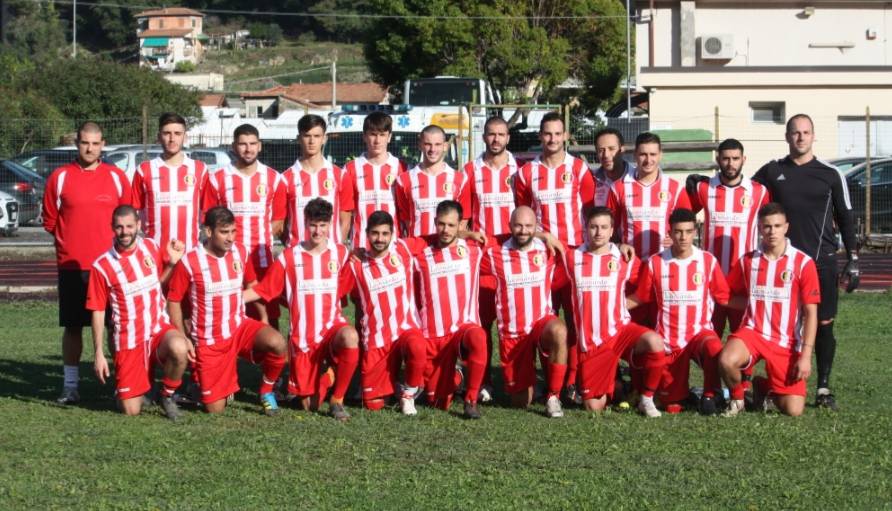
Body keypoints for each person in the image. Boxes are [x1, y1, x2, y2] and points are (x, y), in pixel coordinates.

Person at [752, 114, 859, 410]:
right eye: (795, 133)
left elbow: (846, 217)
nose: (800, 137)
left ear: (813, 136)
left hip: (821, 262)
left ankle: (823, 387)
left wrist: (853, 258)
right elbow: (744, 195)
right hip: (781, 265)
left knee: (823, 322)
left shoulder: (830, 173)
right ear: (787, 137)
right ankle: (779, 382)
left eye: (806, 132)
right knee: (782, 325)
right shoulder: (773, 171)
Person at [244, 198, 359, 421]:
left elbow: (349, 283)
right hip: (303, 338)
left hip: (332, 328)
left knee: (350, 336)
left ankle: (338, 400)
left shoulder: (341, 254)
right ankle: (328, 375)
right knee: (310, 406)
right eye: (313, 225)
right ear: (305, 224)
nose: (318, 231)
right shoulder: (289, 256)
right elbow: (264, 289)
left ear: (330, 224)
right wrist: (230, 298)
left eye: (323, 225)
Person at [42, 121, 132, 405]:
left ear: (103, 144)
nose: (90, 148)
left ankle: (122, 383)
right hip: (73, 267)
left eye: (95, 143)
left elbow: (127, 221)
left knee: (115, 326)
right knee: (73, 326)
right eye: (84, 143)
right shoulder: (60, 177)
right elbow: (50, 222)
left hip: (111, 268)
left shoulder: (117, 177)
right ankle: (70, 386)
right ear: (76, 143)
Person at [166, 207, 287, 415]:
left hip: (239, 326)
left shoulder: (240, 251)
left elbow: (252, 285)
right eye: (224, 232)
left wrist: (264, 317)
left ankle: (267, 391)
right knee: (216, 409)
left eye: (233, 231)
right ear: (209, 231)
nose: (230, 238)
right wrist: (182, 336)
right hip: (210, 340)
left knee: (277, 343)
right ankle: (197, 389)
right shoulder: (190, 261)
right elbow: (174, 300)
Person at [514, 111, 595, 401]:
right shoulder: (526, 173)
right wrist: (542, 235)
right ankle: (544, 377)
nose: (552, 139)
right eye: (547, 133)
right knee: (540, 319)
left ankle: (571, 380)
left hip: (574, 257)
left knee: (575, 321)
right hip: (540, 258)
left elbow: (589, 213)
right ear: (540, 136)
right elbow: (523, 218)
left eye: (557, 134)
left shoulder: (579, 169)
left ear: (565, 136)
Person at [86, 205, 192, 420]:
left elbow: (157, 283)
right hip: (129, 338)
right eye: (119, 227)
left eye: (129, 226)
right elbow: (97, 311)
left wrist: (171, 264)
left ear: (139, 226)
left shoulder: (151, 247)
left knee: (180, 347)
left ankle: (167, 395)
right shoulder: (102, 266)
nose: (124, 232)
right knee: (131, 410)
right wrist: (98, 353)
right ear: (112, 228)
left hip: (157, 329)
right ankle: (136, 384)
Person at [561, 206, 666, 417]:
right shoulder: (571, 258)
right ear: (585, 229)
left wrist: (618, 304)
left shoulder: (624, 258)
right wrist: (542, 234)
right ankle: (617, 387)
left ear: (611, 231)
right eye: (593, 227)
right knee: (593, 408)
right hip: (592, 343)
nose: (598, 232)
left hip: (620, 331)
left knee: (654, 342)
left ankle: (646, 398)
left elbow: (645, 291)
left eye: (603, 227)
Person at [719, 202, 820, 417]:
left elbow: (811, 312)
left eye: (777, 226)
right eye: (767, 226)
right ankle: (737, 400)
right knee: (727, 360)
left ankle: (762, 387)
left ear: (786, 227)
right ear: (759, 228)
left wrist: (806, 355)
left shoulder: (803, 263)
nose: (772, 231)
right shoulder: (748, 261)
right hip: (753, 333)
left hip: (786, 341)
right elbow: (728, 295)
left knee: (794, 410)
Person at [629, 208, 729, 415]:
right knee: (672, 406)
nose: (683, 237)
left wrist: (755, 302)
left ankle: (711, 393)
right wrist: (610, 306)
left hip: (698, 335)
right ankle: (684, 393)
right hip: (668, 341)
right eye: (678, 231)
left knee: (713, 346)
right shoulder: (656, 262)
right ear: (670, 232)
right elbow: (640, 297)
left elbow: (724, 297)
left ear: (695, 232)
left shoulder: (708, 261)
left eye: (688, 231)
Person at [480, 206, 569, 418]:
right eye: (518, 225)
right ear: (510, 226)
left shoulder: (549, 250)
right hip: (513, 333)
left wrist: (620, 246)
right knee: (521, 402)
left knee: (560, 331)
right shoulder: (495, 254)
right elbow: (462, 247)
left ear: (536, 227)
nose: (523, 230)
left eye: (529, 226)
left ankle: (553, 396)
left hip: (541, 323)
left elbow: (590, 249)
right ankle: (530, 386)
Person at [403, 200, 488, 419]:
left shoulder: (473, 250)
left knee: (479, 336)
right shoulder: (421, 252)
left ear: (460, 225)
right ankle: (455, 377)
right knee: (438, 402)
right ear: (434, 223)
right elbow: (392, 244)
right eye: (441, 224)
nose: (445, 230)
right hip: (433, 337)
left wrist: (544, 236)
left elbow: (515, 236)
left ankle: (471, 399)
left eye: (451, 225)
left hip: (462, 332)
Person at [203, 124, 286, 325]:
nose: (248, 149)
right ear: (234, 146)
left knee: (268, 313)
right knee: (229, 311)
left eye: (252, 144)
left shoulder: (274, 178)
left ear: (260, 146)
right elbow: (209, 219)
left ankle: (269, 356)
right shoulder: (217, 178)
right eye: (242, 144)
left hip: (262, 258)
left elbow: (278, 222)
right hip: (228, 258)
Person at [686, 138, 770, 336]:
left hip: (743, 278)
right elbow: (681, 216)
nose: (731, 163)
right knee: (709, 338)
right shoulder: (703, 188)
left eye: (735, 158)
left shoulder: (759, 191)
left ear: (744, 159)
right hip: (710, 277)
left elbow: (772, 225)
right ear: (718, 159)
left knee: (741, 338)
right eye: (725, 158)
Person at [348, 210, 427, 415]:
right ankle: (395, 386)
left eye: (385, 233)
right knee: (373, 404)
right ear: (366, 233)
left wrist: (467, 234)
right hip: (377, 338)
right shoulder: (356, 264)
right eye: (375, 233)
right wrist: (349, 252)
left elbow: (437, 238)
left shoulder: (403, 249)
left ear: (392, 234)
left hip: (405, 328)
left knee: (417, 346)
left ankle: (408, 394)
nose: (380, 239)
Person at [464, 116, 519, 402]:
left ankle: (516, 377)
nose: (496, 139)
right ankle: (482, 379)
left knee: (515, 321)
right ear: (484, 137)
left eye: (501, 134)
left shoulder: (520, 170)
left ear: (508, 138)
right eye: (491, 134)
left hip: (514, 257)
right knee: (483, 322)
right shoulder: (471, 170)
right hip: (484, 260)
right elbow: (463, 218)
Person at [131, 112, 207, 251]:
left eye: (177, 133)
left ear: (185, 137)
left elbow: (207, 210)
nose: (172, 139)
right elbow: (134, 211)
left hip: (189, 253)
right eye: (167, 133)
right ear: (159, 137)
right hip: (154, 254)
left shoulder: (200, 169)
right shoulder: (144, 170)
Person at [281, 114, 350, 245]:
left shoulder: (340, 175)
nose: (312, 141)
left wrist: (336, 248)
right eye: (307, 136)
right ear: (299, 139)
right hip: (298, 257)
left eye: (317, 136)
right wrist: (293, 246)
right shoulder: (285, 179)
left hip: (330, 258)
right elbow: (281, 225)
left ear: (324, 139)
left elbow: (345, 220)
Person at [341, 111, 406, 249]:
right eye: (373, 134)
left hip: (393, 246)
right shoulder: (351, 169)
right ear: (364, 136)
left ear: (389, 137)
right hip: (361, 246)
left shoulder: (401, 168)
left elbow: (406, 213)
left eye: (382, 135)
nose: (377, 140)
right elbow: (345, 213)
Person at [395, 125, 470, 237]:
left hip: (446, 251)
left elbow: (463, 220)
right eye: (427, 144)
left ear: (445, 146)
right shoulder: (404, 180)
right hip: (418, 250)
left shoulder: (460, 179)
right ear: (420, 145)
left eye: (437, 144)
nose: (432, 149)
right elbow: (406, 220)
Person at [592, 127, 634, 207]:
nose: (606, 155)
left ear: (622, 150)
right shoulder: (591, 179)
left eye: (611, 149)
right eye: (601, 150)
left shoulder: (637, 178)